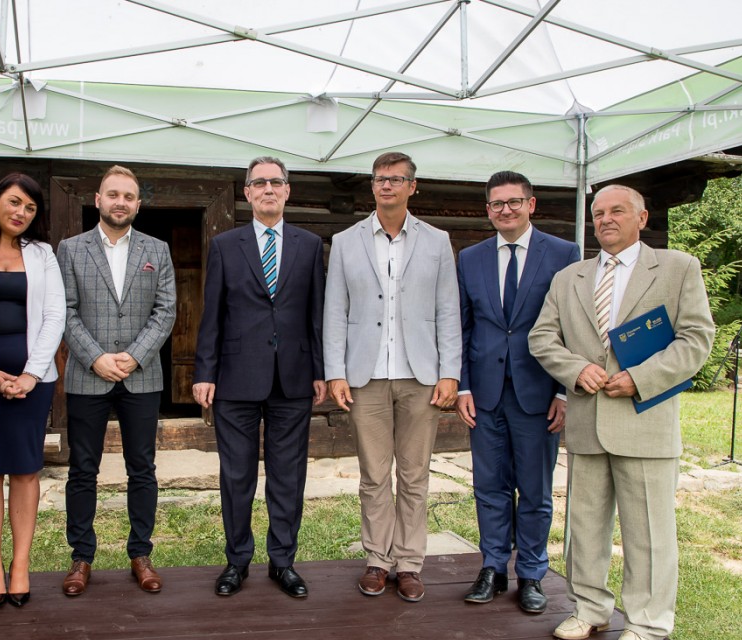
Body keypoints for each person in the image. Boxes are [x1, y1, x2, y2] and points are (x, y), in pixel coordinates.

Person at [529, 184, 713, 640]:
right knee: (584, 525)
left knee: (648, 530)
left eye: (617, 211)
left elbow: (696, 339)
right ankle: (589, 608)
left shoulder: (677, 268)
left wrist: (641, 377)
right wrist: (575, 369)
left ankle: (646, 622)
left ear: (642, 218)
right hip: (587, 421)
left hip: (644, 420)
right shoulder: (570, 277)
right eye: (598, 213)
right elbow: (543, 337)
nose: (606, 219)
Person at [323, 151, 460, 602]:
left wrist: (450, 372)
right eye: (380, 179)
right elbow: (335, 311)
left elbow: (448, 310)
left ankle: (410, 563)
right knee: (374, 475)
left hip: (422, 376)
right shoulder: (346, 241)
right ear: (372, 186)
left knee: (415, 476)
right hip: (365, 377)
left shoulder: (437, 241)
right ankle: (377, 560)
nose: (387, 185)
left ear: (412, 187)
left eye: (396, 179)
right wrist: (336, 371)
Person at [193, 156, 326, 598]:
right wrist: (204, 372)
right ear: (247, 193)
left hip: (294, 378)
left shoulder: (309, 245)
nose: (269, 189)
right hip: (235, 378)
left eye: (276, 182)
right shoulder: (225, 245)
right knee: (236, 476)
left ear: (287, 191)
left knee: (288, 475)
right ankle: (237, 561)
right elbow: (212, 313)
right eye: (259, 183)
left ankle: (283, 561)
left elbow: (316, 313)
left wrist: (320, 370)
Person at [456, 171, 580, 613]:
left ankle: (531, 573)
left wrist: (564, 392)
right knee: (489, 486)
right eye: (496, 204)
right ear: (488, 210)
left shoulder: (564, 254)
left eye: (513, 202)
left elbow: (573, 327)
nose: (504, 210)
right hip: (484, 392)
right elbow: (463, 325)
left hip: (538, 392)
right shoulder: (470, 258)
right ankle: (492, 567)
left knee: (535, 489)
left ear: (531, 204)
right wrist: (463, 385)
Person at [56, 165, 176, 596]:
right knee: (82, 469)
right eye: (113, 194)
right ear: (98, 200)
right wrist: (95, 358)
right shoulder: (71, 249)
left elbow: (165, 310)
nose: (120, 202)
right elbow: (65, 309)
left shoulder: (157, 249)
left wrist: (134, 355)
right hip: (87, 375)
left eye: (128, 196)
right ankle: (81, 557)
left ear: (138, 204)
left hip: (142, 376)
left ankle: (141, 553)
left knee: (142, 468)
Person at [0, 173, 65, 610]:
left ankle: (21, 565)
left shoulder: (43, 253)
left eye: (30, 208)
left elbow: (55, 315)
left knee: (27, 471)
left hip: (34, 382)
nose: (21, 213)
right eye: (14, 202)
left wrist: (30, 374)